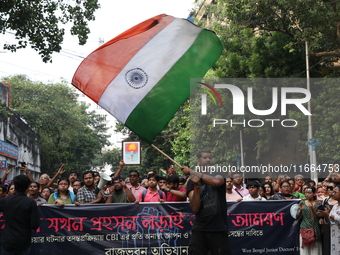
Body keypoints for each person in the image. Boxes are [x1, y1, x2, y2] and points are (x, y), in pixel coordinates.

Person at [182, 148, 231, 255]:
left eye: (210, 157)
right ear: (198, 161)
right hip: (200, 228)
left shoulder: (218, 173)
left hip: (218, 227)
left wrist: (192, 172)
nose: (208, 160)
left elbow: (217, 182)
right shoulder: (192, 181)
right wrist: (197, 187)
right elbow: (195, 207)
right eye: (204, 158)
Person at [0, 175, 40, 255]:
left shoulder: (5, 201)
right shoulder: (31, 203)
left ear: (15, 186)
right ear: (28, 187)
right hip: (23, 241)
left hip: (7, 240)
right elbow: (34, 225)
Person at [296, 186, 322, 254]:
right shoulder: (302, 203)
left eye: (309, 193)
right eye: (306, 193)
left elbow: (319, 216)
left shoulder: (318, 204)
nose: (307, 194)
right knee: (305, 252)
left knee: (315, 252)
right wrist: (300, 211)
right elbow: (297, 217)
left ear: (314, 194)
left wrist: (313, 210)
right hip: (304, 228)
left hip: (315, 229)